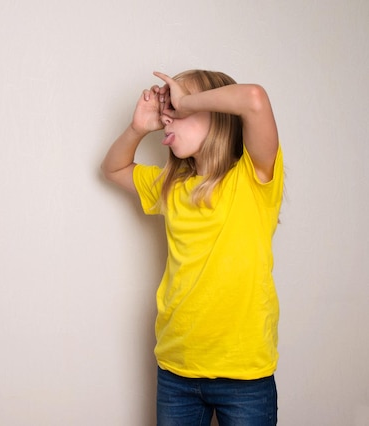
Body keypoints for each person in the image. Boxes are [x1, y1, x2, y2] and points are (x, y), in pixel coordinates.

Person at [101, 70, 283, 425]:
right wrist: (139, 128)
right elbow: (113, 168)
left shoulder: (253, 177)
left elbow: (254, 99)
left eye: (178, 110)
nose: (168, 115)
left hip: (244, 374)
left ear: (216, 114)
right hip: (177, 369)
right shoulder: (170, 185)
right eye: (167, 110)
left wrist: (185, 101)